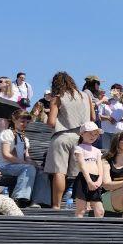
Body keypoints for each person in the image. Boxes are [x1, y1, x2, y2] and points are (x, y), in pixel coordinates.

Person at [43, 71, 93, 210]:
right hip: (81, 138)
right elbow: (93, 118)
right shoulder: (86, 96)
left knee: (59, 172)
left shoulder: (57, 98)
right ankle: (85, 206)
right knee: (82, 173)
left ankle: (56, 205)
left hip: (62, 136)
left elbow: (51, 122)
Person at [0, 110, 37, 206]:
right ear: (14, 120)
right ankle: (18, 198)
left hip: (20, 166)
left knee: (42, 172)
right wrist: (24, 163)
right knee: (28, 168)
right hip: (5, 166)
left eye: (27, 122)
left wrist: (36, 165)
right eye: (22, 121)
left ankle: (37, 201)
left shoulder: (25, 138)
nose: (25, 124)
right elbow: (6, 154)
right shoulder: (7, 133)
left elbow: (27, 156)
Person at [71, 122, 106, 218]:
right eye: (90, 133)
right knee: (81, 209)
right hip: (83, 179)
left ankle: (98, 230)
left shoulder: (97, 151)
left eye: (95, 134)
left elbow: (100, 166)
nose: (93, 136)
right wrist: (89, 181)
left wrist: (99, 180)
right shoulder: (79, 148)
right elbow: (82, 165)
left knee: (100, 211)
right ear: (82, 134)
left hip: (96, 180)